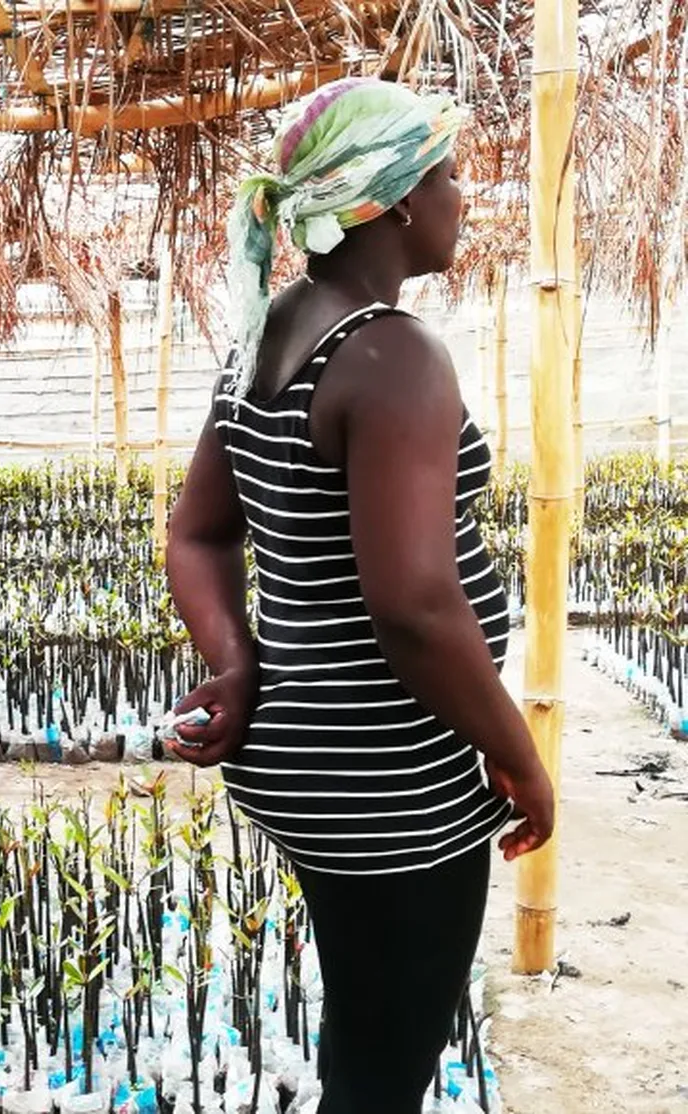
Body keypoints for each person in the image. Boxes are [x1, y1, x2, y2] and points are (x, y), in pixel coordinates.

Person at [163, 77, 556, 1113]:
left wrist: (241, 665)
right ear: (394, 203)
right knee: (389, 1059)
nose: (465, 196)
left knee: (367, 1015)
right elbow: (416, 607)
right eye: (451, 175)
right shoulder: (393, 356)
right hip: (387, 786)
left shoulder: (270, 334)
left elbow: (197, 533)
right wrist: (518, 758)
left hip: (300, 760)